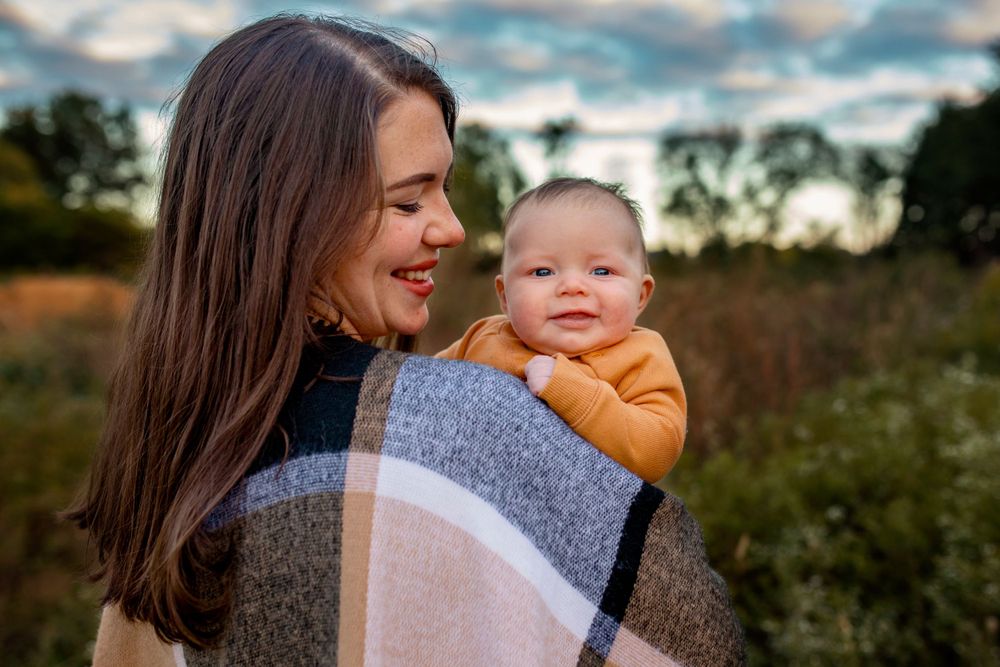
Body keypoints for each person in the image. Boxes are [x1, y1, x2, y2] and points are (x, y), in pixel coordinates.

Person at [68, 14, 746, 666]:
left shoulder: (171, 453)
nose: (452, 229)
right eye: (409, 200)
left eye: (444, 190)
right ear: (293, 216)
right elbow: (691, 642)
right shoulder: (475, 423)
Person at [438, 178, 686, 484]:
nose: (572, 287)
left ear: (640, 295)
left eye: (601, 271)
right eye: (542, 272)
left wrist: (575, 395)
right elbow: (417, 389)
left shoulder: (641, 356)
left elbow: (657, 451)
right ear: (505, 296)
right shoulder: (484, 338)